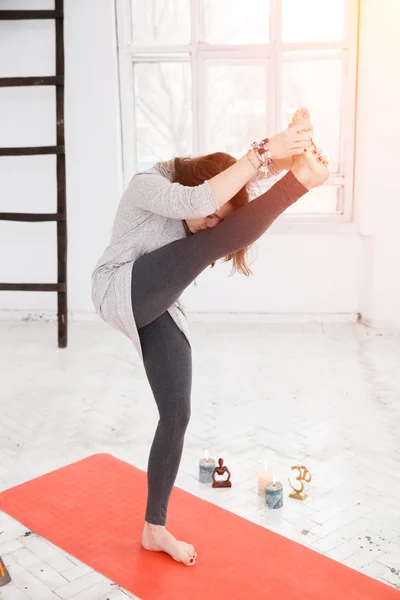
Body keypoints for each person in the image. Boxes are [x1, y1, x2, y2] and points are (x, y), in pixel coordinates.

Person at [91, 108, 329, 567]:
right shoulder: (150, 186)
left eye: (221, 219)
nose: (212, 222)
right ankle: (302, 184)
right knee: (205, 245)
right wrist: (273, 158)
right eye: (214, 214)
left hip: (159, 304)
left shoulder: (208, 208)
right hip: (117, 286)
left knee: (177, 412)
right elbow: (198, 203)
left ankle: (153, 529)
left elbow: (234, 199)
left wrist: (293, 151)